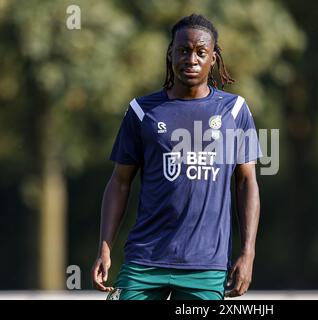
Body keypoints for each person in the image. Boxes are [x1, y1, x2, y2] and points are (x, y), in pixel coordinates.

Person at [91, 13, 261, 300]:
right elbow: (120, 183)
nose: (191, 59)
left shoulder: (234, 112)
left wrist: (248, 253)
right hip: (144, 261)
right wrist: (104, 247)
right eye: (183, 50)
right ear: (170, 54)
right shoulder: (141, 111)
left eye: (200, 52)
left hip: (206, 266)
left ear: (213, 59)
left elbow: (246, 183)